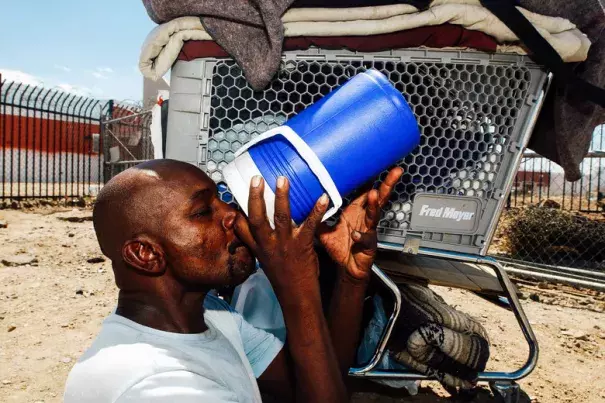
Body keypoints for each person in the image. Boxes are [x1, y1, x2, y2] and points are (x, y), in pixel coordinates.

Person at [64, 159, 402, 402]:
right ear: (146, 254)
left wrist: (349, 279)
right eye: (202, 212)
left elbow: (317, 381)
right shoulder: (156, 384)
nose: (230, 214)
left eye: (220, 199)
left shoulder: (212, 318)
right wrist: (296, 288)